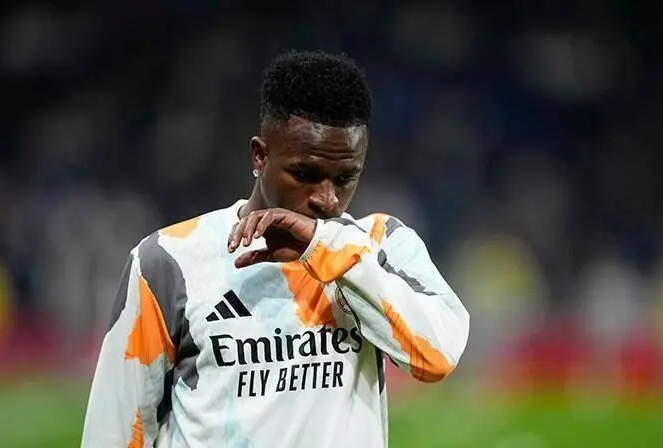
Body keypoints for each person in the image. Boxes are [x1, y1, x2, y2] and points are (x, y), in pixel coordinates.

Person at [81, 50, 470, 448]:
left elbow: (438, 356)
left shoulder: (378, 244)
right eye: (305, 174)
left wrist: (328, 249)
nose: (327, 200)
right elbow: (113, 432)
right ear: (260, 155)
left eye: (345, 178)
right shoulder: (169, 260)